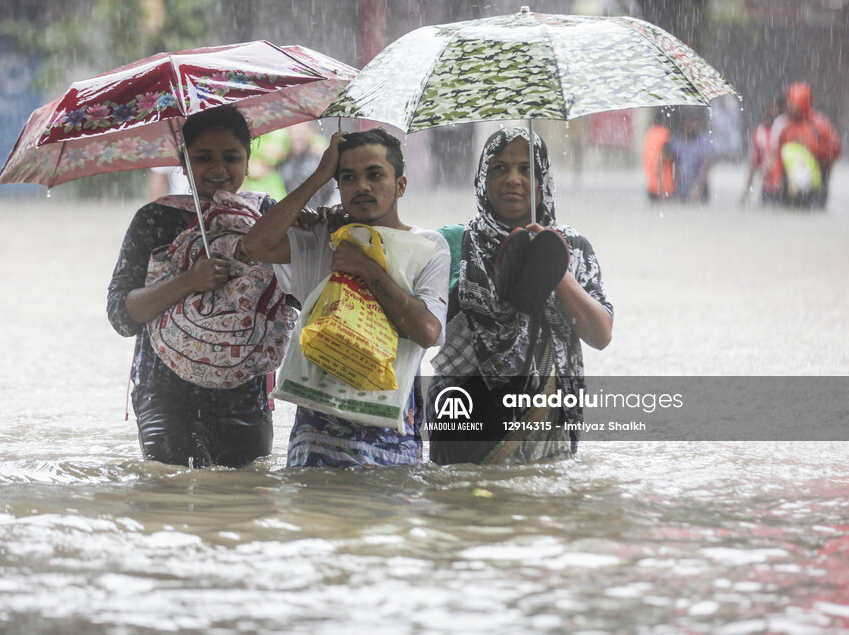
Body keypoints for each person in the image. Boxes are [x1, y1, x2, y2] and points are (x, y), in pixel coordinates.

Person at [242, 129, 451, 468]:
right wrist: (318, 177)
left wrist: (366, 268)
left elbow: (427, 331)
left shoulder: (428, 247)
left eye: (375, 175)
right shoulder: (322, 236)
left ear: (401, 185)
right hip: (313, 449)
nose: (362, 186)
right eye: (348, 177)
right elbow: (254, 246)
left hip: (391, 448)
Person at [107, 106, 287, 468]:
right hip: (165, 396)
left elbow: (298, 292)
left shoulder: (266, 215)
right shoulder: (155, 219)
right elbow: (122, 316)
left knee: (246, 495)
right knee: (177, 490)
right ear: (183, 162)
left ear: (248, 163)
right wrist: (189, 280)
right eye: (203, 158)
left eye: (231, 157)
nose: (219, 169)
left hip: (246, 396)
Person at [428, 127, 613, 465]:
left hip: (545, 426)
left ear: (543, 182)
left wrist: (551, 262)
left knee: (541, 495)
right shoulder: (453, 244)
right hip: (464, 426)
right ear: (482, 180)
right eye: (500, 168)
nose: (513, 179)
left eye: (526, 169)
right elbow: (419, 326)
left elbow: (600, 335)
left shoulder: (572, 247)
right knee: (459, 496)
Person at [771, 82, 841, 208]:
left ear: (800, 103)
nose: (787, 106)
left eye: (790, 103)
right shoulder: (784, 125)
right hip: (790, 185)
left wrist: (814, 148)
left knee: (814, 215)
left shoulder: (820, 124)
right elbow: (778, 156)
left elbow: (836, 151)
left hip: (816, 185)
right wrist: (776, 178)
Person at [742, 96, 783, 206]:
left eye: (774, 108)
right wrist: (747, 191)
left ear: (781, 110)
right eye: (768, 108)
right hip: (768, 187)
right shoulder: (759, 133)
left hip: (786, 184)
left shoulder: (786, 129)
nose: (771, 111)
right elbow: (754, 163)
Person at [667, 110, 713, 203]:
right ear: (684, 124)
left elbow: (707, 165)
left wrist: (698, 187)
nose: (694, 126)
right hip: (680, 189)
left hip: (699, 190)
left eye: (696, 123)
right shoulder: (675, 141)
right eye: (691, 123)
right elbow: (666, 163)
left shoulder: (703, 141)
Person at [642, 110, 675, 201]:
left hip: (651, 185)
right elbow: (660, 161)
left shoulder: (649, 133)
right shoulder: (664, 135)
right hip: (664, 188)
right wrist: (662, 189)